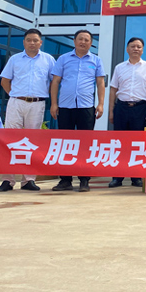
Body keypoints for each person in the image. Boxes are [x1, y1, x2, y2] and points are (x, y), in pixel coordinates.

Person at [0, 28, 55, 192]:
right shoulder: (15, 59)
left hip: (37, 103)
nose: (32, 43)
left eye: (35, 40)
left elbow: (54, 82)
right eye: (29, 40)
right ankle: (8, 179)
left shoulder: (48, 60)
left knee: (32, 141)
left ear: (40, 43)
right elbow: (5, 81)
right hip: (16, 102)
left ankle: (28, 180)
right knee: (10, 139)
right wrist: (15, 95)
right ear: (24, 42)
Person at [50, 30, 106, 192]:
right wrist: (54, 104)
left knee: (85, 144)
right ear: (74, 41)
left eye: (87, 40)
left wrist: (101, 104)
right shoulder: (63, 59)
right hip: (65, 107)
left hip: (86, 107)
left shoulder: (96, 60)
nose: (83, 42)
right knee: (65, 143)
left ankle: (84, 180)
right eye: (80, 39)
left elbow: (100, 83)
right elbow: (55, 82)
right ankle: (65, 180)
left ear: (91, 43)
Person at [107, 37, 146, 189]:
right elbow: (113, 90)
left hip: (140, 108)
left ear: (142, 50)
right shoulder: (119, 67)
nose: (136, 49)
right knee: (119, 143)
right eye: (133, 46)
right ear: (127, 49)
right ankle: (117, 177)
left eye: (139, 47)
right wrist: (111, 110)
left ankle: (136, 177)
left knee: (138, 144)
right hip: (121, 107)